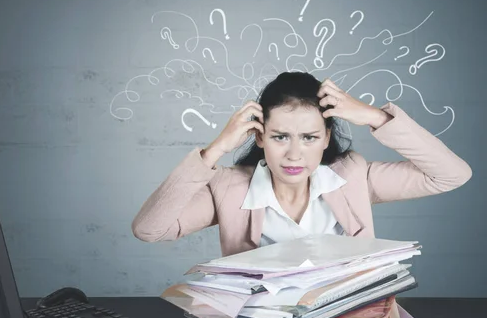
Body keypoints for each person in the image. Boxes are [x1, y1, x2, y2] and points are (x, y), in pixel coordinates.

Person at [131, 72, 472, 257]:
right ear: (260, 137)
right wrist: (215, 149)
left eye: (309, 138)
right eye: (280, 137)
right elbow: (150, 230)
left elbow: (452, 175)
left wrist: (374, 116)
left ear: (326, 138)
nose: (294, 155)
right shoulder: (229, 187)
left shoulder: (352, 176)